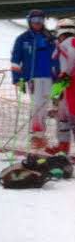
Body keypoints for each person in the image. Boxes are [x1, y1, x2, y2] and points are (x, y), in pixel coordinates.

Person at [11, 9, 58, 151]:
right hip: (33, 78)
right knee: (37, 106)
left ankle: (40, 134)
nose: (37, 23)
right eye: (34, 20)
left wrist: (59, 75)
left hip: (49, 77)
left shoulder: (50, 37)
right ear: (29, 21)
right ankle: (37, 136)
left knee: (44, 106)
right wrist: (17, 79)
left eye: (40, 20)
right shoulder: (23, 39)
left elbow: (57, 57)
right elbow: (15, 61)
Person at [49, 18, 75, 155]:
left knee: (67, 117)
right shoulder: (72, 43)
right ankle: (62, 148)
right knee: (63, 117)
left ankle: (63, 148)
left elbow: (64, 73)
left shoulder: (64, 46)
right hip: (69, 86)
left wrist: (55, 94)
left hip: (70, 87)